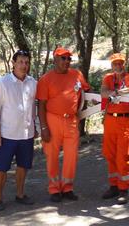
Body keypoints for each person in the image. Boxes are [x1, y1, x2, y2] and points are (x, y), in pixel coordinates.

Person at [36, 47, 90, 202]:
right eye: (63, 58)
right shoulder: (46, 79)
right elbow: (41, 105)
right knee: (52, 156)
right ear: (55, 60)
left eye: (69, 59)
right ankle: (54, 189)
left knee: (71, 156)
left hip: (72, 121)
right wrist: (44, 127)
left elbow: (87, 91)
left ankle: (67, 188)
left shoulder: (77, 75)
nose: (67, 61)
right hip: (52, 120)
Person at [0, 50, 37, 211]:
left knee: (23, 166)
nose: (24, 65)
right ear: (13, 63)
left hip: (26, 134)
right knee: (1, 168)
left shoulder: (33, 83)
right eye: (21, 62)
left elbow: (34, 107)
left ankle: (20, 194)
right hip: (7, 134)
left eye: (27, 62)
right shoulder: (3, 83)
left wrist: (35, 126)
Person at [100, 53, 129, 205]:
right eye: (115, 63)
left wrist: (118, 92)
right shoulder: (108, 78)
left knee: (123, 155)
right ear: (111, 65)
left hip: (125, 120)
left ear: (124, 63)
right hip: (110, 120)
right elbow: (103, 92)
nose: (118, 66)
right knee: (110, 154)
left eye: (120, 63)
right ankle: (114, 186)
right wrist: (111, 93)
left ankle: (123, 189)